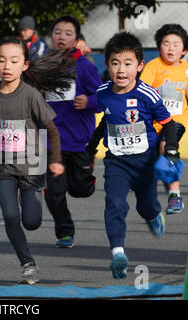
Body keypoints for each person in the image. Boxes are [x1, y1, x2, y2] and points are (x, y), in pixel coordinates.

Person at [0, 37, 75, 284]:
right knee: (10, 215)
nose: (6, 65)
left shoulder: (30, 96)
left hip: (31, 167)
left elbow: (51, 129)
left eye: (14, 61)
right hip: (2, 168)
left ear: (25, 66)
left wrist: (56, 160)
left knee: (31, 222)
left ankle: (37, 195)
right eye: (1, 60)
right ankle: (27, 263)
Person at [86, 32, 178, 279]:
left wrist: (170, 146)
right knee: (115, 203)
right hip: (117, 161)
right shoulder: (103, 92)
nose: (121, 69)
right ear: (107, 65)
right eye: (115, 63)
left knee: (146, 205)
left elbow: (169, 123)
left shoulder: (147, 94)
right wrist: (91, 147)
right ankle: (118, 253)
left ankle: (152, 215)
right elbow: (106, 120)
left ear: (139, 66)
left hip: (144, 161)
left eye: (128, 63)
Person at [44, 16, 103, 248]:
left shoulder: (86, 67)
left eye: (68, 33)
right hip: (52, 142)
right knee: (54, 193)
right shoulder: (43, 65)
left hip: (80, 141)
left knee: (81, 190)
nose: (61, 36)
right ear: (51, 37)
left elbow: (103, 98)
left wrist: (88, 101)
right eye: (57, 32)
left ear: (76, 40)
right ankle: (65, 232)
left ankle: (86, 177)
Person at [140, 24, 188, 214]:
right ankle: (169, 196)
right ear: (159, 47)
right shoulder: (153, 67)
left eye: (176, 44)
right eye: (166, 43)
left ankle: (175, 195)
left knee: (167, 147)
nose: (171, 48)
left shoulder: (186, 70)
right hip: (153, 123)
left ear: (184, 50)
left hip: (177, 121)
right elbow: (142, 92)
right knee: (155, 161)